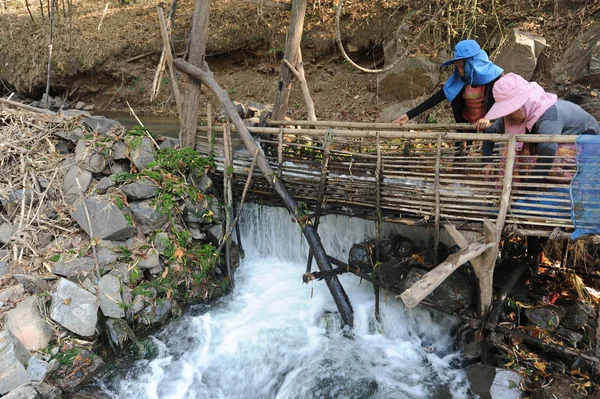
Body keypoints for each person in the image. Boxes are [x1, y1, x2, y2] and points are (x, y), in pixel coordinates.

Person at [480, 73, 599, 180]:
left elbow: (547, 156)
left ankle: (561, 185)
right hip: (552, 145)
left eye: (509, 110)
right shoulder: (512, 116)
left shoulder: (547, 116)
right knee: (513, 153)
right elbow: (491, 133)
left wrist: (527, 191)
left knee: (537, 160)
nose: (506, 114)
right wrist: (487, 162)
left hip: (587, 146)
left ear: (522, 105)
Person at [393, 40, 503, 132]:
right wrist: (408, 115)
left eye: (461, 67)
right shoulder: (457, 81)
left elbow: (503, 102)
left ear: (471, 65)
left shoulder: (494, 78)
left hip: (488, 121)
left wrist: (489, 118)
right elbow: (435, 99)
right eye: (457, 67)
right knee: (460, 154)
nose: (459, 71)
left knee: (489, 154)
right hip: (466, 122)